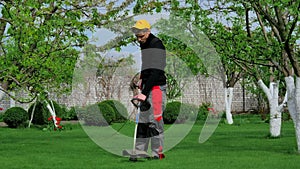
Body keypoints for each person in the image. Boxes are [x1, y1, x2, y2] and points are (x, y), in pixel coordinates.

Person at [131, 19, 167, 160]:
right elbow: (147, 66)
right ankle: (140, 151)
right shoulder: (144, 44)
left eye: (141, 36)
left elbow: (157, 71)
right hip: (147, 85)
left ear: (148, 31)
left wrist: (144, 94)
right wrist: (142, 78)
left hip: (157, 87)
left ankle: (157, 152)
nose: (139, 39)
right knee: (143, 121)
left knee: (155, 120)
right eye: (137, 37)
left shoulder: (156, 45)